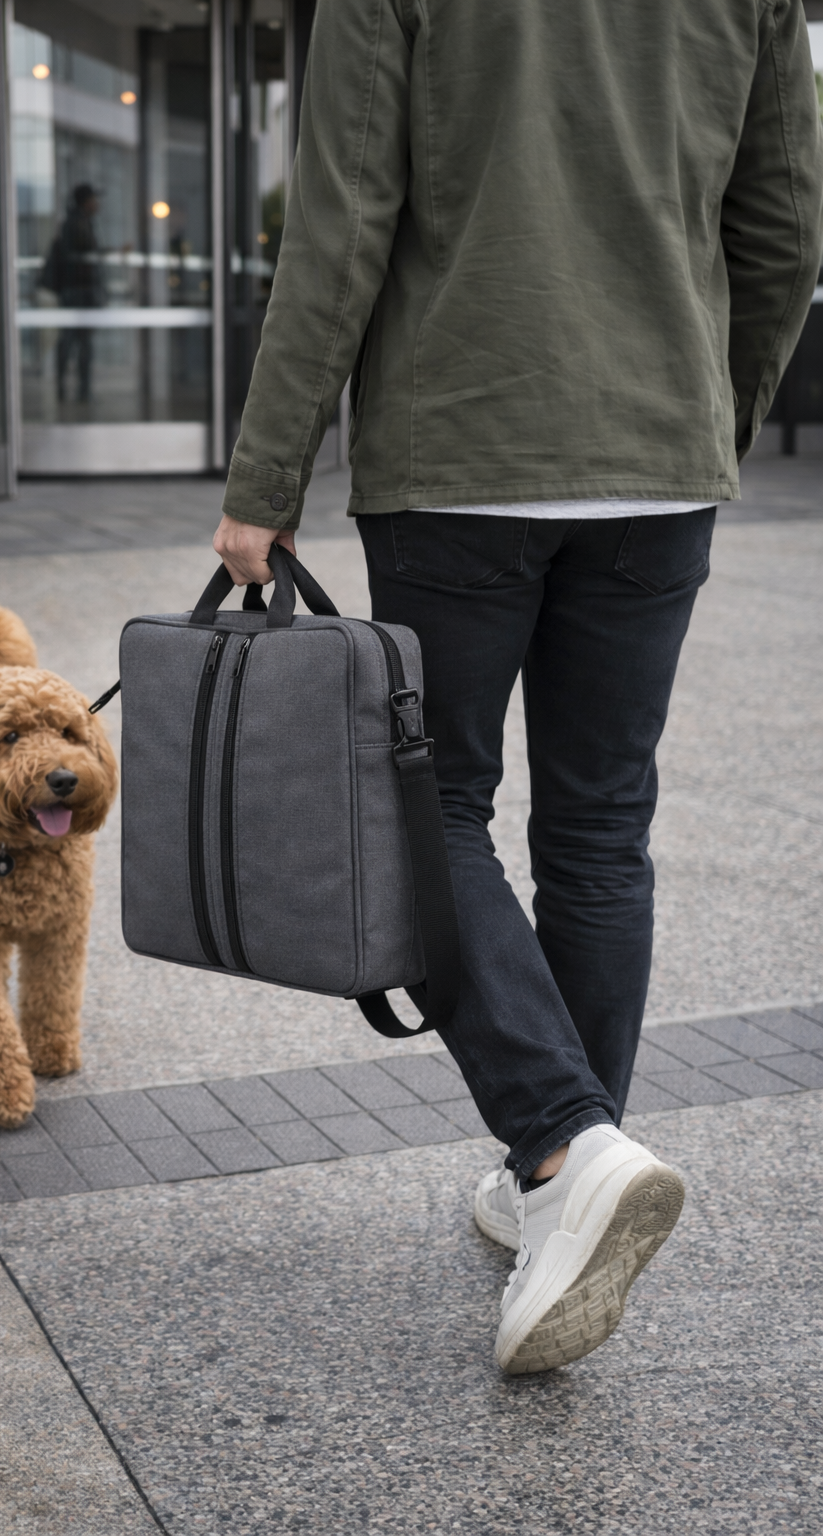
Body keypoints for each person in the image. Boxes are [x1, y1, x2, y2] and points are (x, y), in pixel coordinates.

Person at [213, 0, 823, 1373]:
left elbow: (341, 224)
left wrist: (266, 477)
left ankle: (560, 1145)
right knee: (602, 826)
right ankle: (562, 1169)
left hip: (460, 450)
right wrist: (706, 419)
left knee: (428, 807)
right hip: (657, 458)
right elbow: (785, 229)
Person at [44, 183, 103, 403]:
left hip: (77, 291)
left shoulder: (79, 222)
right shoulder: (76, 224)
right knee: (74, 341)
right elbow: (86, 255)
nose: (97, 204)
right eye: (94, 199)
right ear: (85, 202)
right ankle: (73, 388)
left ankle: (77, 388)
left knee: (76, 341)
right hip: (77, 292)